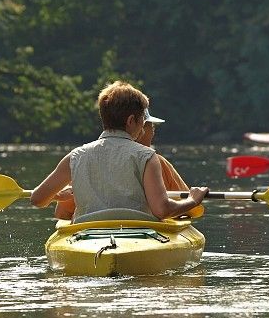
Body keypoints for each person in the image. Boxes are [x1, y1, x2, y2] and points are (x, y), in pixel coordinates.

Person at [30, 81, 208, 221]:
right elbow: (162, 210)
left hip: (86, 234)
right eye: (141, 122)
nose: (143, 129)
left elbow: (37, 199)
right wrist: (193, 200)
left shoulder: (75, 156)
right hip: (138, 232)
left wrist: (56, 196)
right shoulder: (146, 156)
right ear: (131, 121)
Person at [53, 109, 189, 220]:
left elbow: (62, 213)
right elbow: (193, 210)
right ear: (135, 125)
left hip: (91, 231)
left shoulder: (84, 159)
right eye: (149, 126)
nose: (153, 131)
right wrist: (193, 201)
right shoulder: (155, 162)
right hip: (145, 231)